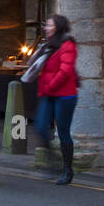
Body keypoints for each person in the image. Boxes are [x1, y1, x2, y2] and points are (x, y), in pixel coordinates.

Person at [26, 14, 79, 185]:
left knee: (63, 133)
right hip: (49, 94)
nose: (46, 28)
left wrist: (50, 87)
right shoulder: (48, 46)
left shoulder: (67, 45)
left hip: (65, 95)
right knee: (40, 127)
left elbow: (65, 71)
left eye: (49, 25)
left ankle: (67, 170)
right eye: (46, 25)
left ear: (58, 27)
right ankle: (53, 160)